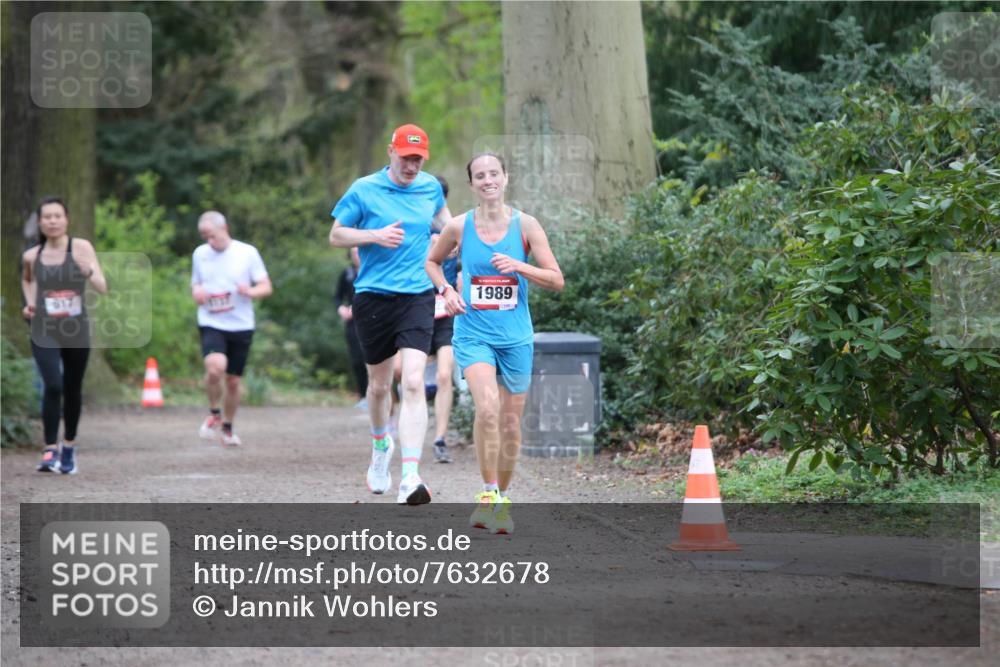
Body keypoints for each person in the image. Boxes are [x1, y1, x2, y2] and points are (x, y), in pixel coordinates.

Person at [426, 153, 564, 534]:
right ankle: (487, 495)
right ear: (471, 184)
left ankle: (502, 498)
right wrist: (446, 292)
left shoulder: (526, 225)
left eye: (493, 174)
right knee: (487, 409)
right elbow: (432, 262)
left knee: (510, 423)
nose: (488, 180)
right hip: (473, 332)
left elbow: (556, 279)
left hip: (515, 336)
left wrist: (519, 265)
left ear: (506, 178)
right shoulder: (458, 226)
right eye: (480, 175)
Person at [328, 123, 451, 506]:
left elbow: (449, 227)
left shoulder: (429, 188)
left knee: (413, 382)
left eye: (418, 160)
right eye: (406, 158)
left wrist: (453, 242)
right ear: (390, 152)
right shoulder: (364, 189)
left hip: (417, 295)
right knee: (380, 386)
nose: (412, 166)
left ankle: (411, 476)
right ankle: (381, 445)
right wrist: (374, 236)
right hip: (373, 297)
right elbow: (336, 234)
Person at [21, 196, 107, 474]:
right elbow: (27, 279)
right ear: (40, 222)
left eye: (57, 216)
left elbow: (102, 286)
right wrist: (30, 304)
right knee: (53, 385)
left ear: (66, 219)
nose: (53, 221)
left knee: (71, 388)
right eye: (47, 217)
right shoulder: (31, 256)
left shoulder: (81, 248)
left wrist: (88, 270)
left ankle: (68, 446)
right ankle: (49, 449)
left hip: (75, 329)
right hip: (44, 329)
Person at [191, 211, 272, 446]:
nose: (209, 241)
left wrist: (250, 291)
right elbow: (196, 283)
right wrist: (197, 291)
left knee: (233, 381)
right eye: (204, 237)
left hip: (241, 324)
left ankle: (228, 427)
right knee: (215, 367)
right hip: (211, 321)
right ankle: (213, 412)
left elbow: (266, 287)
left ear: (224, 228)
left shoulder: (247, 253)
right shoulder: (200, 254)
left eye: (212, 235)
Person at [428, 174, 459, 463]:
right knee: (400, 373)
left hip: (446, 309)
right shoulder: (413, 226)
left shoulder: (455, 228)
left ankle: (440, 438)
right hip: (415, 306)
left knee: (444, 374)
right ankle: (391, 426)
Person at [335, 247, 368, 408]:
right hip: (352, 323)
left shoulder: (374, 270)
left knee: (372, 357)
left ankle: (375, 394)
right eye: (354, 252)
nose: (357, 255)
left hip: (371, 319)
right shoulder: (347, 273)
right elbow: (337, 297)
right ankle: (363, 395)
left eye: (359, 251)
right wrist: (341, 308)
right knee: (357, 359)